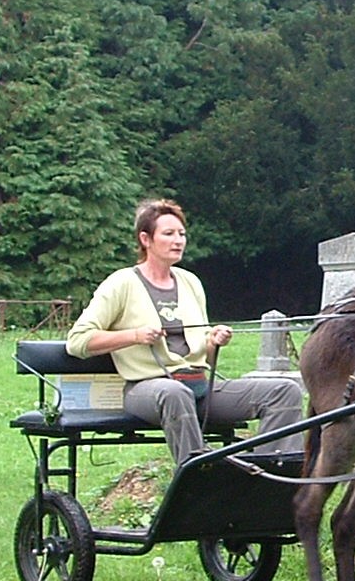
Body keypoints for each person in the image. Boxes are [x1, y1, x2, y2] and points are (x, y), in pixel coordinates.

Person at [66, 198, 304, 465]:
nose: (178, 240)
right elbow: (78, 341)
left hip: (198, 387)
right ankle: (200, 475)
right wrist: (135, 335)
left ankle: (267, 476)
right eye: (168, 234)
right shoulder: (122, 283)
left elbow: (204, 358)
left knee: (285, 391)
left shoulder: (190, 282)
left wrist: (213, 342)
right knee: (174, 393)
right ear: (146, 239)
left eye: (181, 234)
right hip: (146, 389)